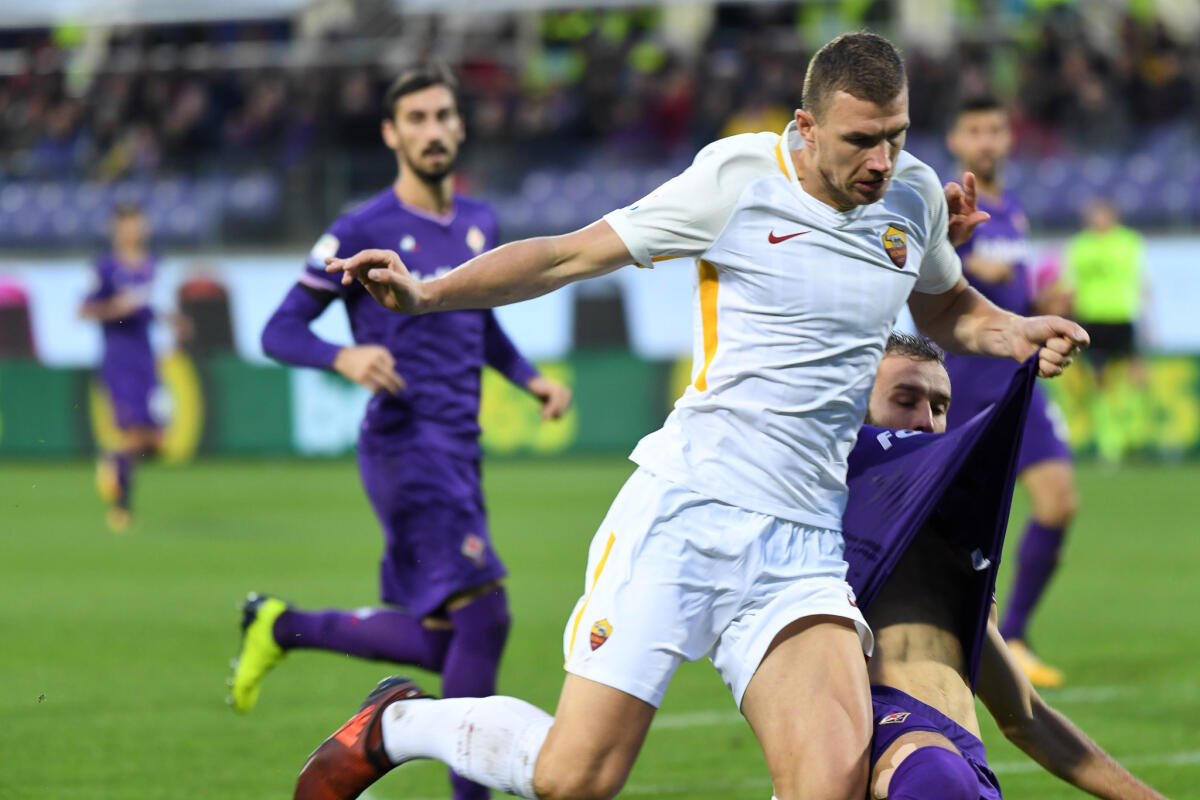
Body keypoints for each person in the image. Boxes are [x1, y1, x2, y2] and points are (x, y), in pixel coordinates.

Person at [299, 33, 1087, 800]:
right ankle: (397, 724)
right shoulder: (737, 178)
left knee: (830, 784)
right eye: (861, 140)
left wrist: (1011, 332)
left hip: (803, 542)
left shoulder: (912, 195)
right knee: (575, 778)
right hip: (689, 509)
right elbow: (569, 254)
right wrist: (429, 293)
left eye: (896, 136)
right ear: (805, 128)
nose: (882, 160)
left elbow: (946, 303)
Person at [229, 65, 571, 800]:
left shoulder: (480, 222)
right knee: (486, 615)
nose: (432, 129)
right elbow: (277, 329)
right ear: (391, 134)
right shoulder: (360, 231)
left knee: (445, 641)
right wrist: (342, 353)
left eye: (442, 115)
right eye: (414, 118)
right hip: (405, 445)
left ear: (460, 126)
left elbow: (479, 320)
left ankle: (281, 626)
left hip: (461, 449)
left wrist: (530, 377)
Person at [843, 333, 1164, 799]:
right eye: (905, 400)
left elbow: (1026, 720)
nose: (927, 423)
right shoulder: (831, 513)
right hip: (900, 748)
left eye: (939, 406)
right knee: (940, 778)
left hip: (964, 759)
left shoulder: (956, 543)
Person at [943, 95, 1079, 688]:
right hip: (964, 381)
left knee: (1058, 501)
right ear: (955, 140)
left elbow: (1015, 298)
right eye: (975, 130)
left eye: (996, 129)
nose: (988, 141)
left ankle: (1015, 633)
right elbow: (933, 283)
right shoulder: (947, 205)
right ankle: (952, 636)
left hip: (1020, 380)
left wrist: (1044, 306)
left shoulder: (1013, 211)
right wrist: (964, 260)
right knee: (951, 527)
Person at [78, 204, 163, 533]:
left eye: (138, 224)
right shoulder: (104, 268)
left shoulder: (152, 266)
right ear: (117, 230)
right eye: (128, 225)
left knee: (151, 439)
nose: (135, 231)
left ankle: (114, 465)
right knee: (133, 434)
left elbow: (149, 308)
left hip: (146, 357)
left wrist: (171, 319)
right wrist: (115, 307)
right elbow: (83, 310)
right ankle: (121, 506)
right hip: (119, 358)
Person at [1063, 197, 1148, 464]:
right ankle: (1109, 442)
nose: (1098, 219)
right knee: (1099, 381)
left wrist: (1147, 322)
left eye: (1102, 214)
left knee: (1135, 377)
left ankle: (1134, 435)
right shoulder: (1079, 246)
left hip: (1122, 316)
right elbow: (1070, 286)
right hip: (1093, 319)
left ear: (1113, 216)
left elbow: (1141, 282)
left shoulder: (1129, 242)